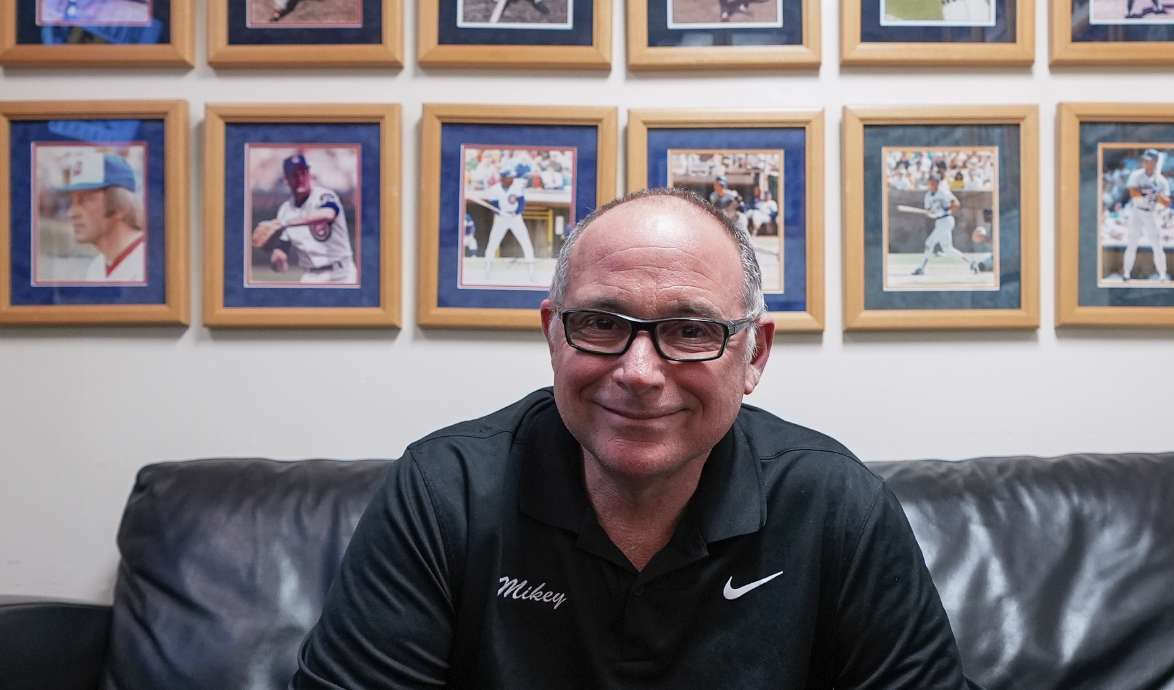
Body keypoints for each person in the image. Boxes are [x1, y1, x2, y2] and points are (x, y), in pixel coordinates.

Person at [292, 188, 974, 689]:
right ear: (554, 335)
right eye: (601, 323)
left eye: (690, 330)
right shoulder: (445, 492)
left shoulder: (834, 503)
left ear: (755, 356)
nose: (640, 372)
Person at [250, 153, 356, 284]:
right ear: (286, 179)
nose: (300, 178)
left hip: (342, 274)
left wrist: (287, 223)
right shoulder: (285, 210)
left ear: (309, 174)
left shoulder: (323, 195)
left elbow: (328, 214)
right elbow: (281, 251)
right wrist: (277, 261)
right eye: (294, 175)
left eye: (303, 173)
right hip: (310, 276)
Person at [59, 151, 146, 283]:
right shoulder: (97, 266)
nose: (71, 213)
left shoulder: (150, 266)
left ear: (120, 206)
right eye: (72, 201)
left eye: (85, 199)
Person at [912, 173, 979, 276]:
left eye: (934, 182)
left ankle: (921, 268)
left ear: (937, 183)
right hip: (938, 222)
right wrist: (930, 213)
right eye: (930, 182)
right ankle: (971, 263)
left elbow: (956, 204)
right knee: (947, 249)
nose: (932, 184)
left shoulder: (943, 192)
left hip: (946, 220)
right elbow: (928, 211)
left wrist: (946, 211)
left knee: (929, 243)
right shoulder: (928, 196)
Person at [1122, 149, 1171, 282]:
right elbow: (1133, 192)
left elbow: (1167, 202)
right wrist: (1149, 191)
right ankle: (1126, 273)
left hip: (1151, 214)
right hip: (1136, 211)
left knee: (1157, 245)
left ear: (1155, 162)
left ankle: (1162, 275)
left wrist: (1157, 193)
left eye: (1148, 160)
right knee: (1131, 243)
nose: (1144, 162)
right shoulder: (1136, 175)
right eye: (1144, 160)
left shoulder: (1161, 180)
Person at [481, 166, 536, 276]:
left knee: (525, 241)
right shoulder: (495, 189)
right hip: (501, 219)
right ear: (503, 178)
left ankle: (531, 270)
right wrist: (501, 212)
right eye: (510, 177)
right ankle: (487, 268)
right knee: (493, 242)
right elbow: (494, 205)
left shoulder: (516, 187)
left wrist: (516, 212)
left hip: (515, 218)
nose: (512, 179)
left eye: (512, 177)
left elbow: (521, 203)